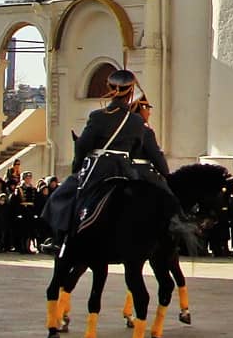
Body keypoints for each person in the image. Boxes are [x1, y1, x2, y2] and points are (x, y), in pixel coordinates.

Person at [51, 69, 175, 240]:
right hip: (126, 171)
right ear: (131, 91)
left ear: (109, 88)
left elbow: (83, 146)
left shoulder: (97, 116)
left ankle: (62, 239)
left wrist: (77, 167)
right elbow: (137, 147)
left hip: (99, 170)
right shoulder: (137, 121)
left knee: (65, 196)